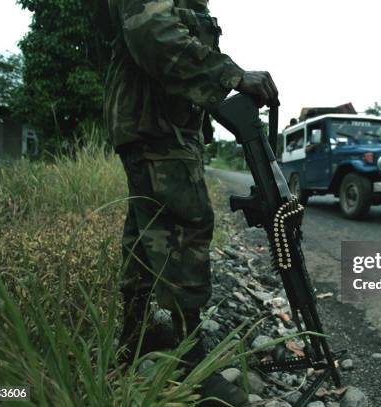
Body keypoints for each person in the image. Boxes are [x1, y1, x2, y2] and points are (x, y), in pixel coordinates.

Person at [101, 0, 278, 405]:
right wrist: (231, 75)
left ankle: (135, 341)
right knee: (186, 223)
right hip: (156, 126)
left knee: (148, 234)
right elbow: (152, 32)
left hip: (161, 124)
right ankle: (189, 366)